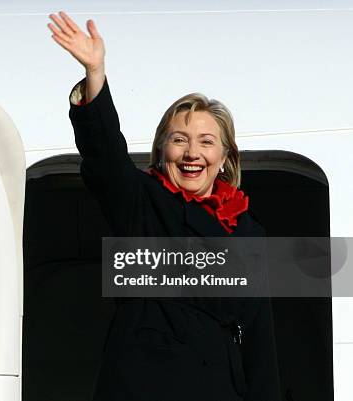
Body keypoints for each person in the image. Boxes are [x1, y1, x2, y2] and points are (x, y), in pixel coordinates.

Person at [48, 11, 281, 401]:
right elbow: (104, 153)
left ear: (224, 156)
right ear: (161, 149)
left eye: (206, 142)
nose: (192, 154)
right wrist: (95, 74)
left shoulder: (245, 229)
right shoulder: (141, 202)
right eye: (179, 140)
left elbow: (260, 341)